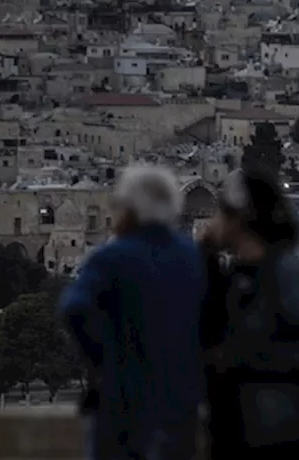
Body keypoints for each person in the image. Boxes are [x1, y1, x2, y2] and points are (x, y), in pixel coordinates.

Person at [59, 164, 206, 460]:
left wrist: (103, 357)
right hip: (181, 403)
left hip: (123, 403)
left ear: (128, 210)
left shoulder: (112, 257)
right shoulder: (192, 258)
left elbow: (74, 310)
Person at [200, 167, 299, 460]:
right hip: (238, 433)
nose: (213, 220)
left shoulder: (284, 273)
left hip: (278, 436)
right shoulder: (235, 276)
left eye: (221, 212)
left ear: (241, 217)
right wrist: (204, 256)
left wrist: (244, 359)